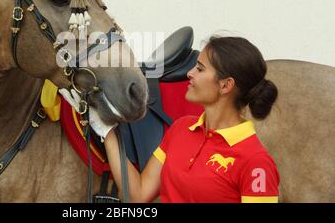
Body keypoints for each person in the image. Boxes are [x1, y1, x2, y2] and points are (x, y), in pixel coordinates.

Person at [98, 35, 280, 203]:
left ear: (225, 85)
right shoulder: (180, 128)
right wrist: (106, 131)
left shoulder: (256, 162)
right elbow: (138, 194)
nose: (189, 73)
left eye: (200, 69)